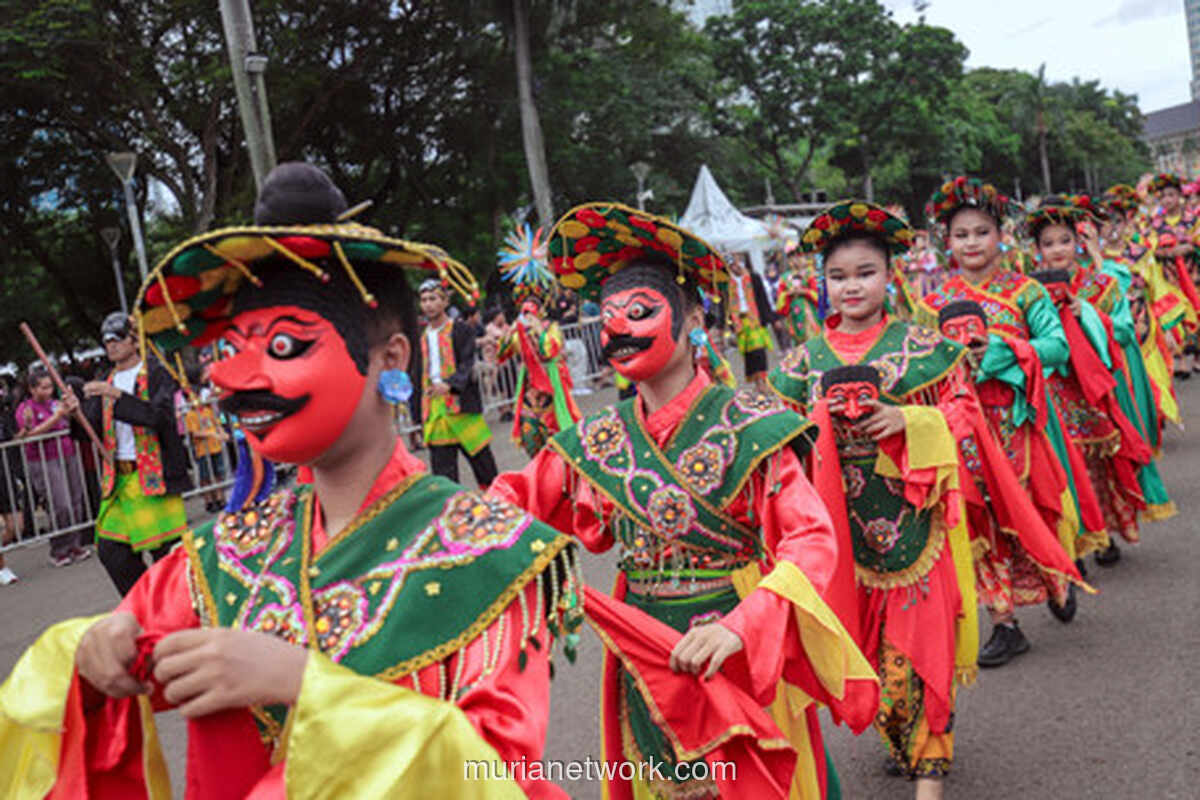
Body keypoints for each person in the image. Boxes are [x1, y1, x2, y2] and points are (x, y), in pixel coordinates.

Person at [0, 162, 580, 798]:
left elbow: (493, 774)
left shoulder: (492, 555)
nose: (231, 379)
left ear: (391, 358)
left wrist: (305, 684)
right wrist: (94, 649)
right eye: (231, 352)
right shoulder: (229, 550)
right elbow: (128, 642)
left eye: (281, 347)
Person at [495, 201, 879, 800]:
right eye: (605, 318)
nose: (616, 330)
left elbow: (810, 540)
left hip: (734, 643)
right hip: (643, 651)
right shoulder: (598, 440)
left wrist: (743, 625)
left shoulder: (752, 426)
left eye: (640, 312)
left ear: (693, 317)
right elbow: (515, 501)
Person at [768, 201, 978, 799]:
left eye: (865, 272)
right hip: (842, 539)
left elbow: (964, 413)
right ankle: (905, 730)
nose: (851, 286)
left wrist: (909, 420)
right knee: (871, 662)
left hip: (916, 528)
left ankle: (930, 767)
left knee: (919, 658)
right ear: (821, 284)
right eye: (838, 276)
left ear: (891, 276)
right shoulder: (798, 365)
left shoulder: (923, 348)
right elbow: (775, 449)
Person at [920, 177, 1110, 584]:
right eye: (961, 235)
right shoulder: (932, 303)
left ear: (1001, 236)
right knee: (979, 514)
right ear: (947, 242)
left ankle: (1056, 574)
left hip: (1021, 418)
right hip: (964, 424)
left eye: (982, 232)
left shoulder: (1026, 292)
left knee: (1032, 504)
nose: (971, 243)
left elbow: (1057, 347)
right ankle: (1004, 617)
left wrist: (1002, 351)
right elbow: (922, 364)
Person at [71, 312, 192, 596]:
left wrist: (115, 395)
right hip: (120, 482)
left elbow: (159, 417)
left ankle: (180, 607)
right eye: (106, 340)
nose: (111, 345)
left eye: (117, 338)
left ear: (134, 340)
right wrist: (74, 412)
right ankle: (145, 603)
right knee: (111, 551)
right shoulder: (107, 378)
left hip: (153, 478)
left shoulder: (155, 372)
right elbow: (92, 430)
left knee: (169, 556)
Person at [417, 279, 500, 488]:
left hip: (461, 405)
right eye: (424, 300)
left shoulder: (461, 330)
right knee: (444, 474)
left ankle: (501, 504)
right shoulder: (421, 338)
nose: (428, 304)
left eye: (433, 299)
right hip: (435, 409)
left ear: (445, 302)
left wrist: (451, 385)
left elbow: (467, 361)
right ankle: (452, 513)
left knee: (484, 465)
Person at [16, 366, 90, 567]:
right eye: (43, 387)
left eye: (50, 386)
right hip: (43, 460)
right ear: (32, 389)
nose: (48, 391)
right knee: (60, 504)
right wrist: (56, 417)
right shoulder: (26, 409)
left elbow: (73, 420)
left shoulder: (56, 403)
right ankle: (59, 549)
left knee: (76, 500)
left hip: (67, 454)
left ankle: (75, 544)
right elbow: (29, 435)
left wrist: (73, 409)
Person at [496, 292, 581, 458]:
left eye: (533, 307)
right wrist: (508, 333)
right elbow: (501, 355)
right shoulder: (518, 332)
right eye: (524, 309)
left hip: (551, 386)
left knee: (557, 433)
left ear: (542, 310)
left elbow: (550, 350)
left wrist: (539, 330)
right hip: (529, 388)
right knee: (530, 433)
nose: (528, 313)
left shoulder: (551, 328)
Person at [725, 253, 776, 391]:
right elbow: (726, 305)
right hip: (740, 321)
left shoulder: (753, 278)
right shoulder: (728, 284)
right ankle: (756, 382)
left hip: (755, 319)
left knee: (759, 350)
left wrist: (769, 318)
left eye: (736, 264)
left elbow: (762, 298)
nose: (735, 268)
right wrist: (729, 325)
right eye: (731, 266)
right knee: (749, 355)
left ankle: (763, 381)